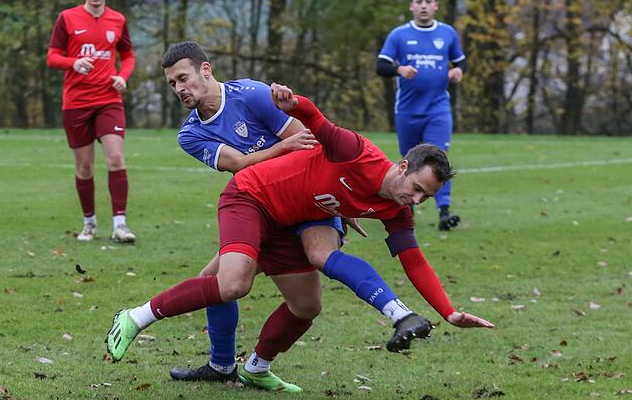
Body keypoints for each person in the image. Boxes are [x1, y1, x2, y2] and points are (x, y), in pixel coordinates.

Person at [107, 84, 494, 392]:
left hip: (296, 220)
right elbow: (315, 120)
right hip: (252, 196)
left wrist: (449, 312)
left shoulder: (397, 208)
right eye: (418, 188)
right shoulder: (357, 153)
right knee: (231, 283)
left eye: (427, 196)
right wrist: (292, 102)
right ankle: (135, 317)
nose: (418, 199)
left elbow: (414, 261)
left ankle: (255, 369)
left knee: (306, 306)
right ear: (403, 166)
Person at [160, 41, 431, 385]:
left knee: (304, 294)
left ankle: (254, 366)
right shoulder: (190, 133)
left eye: (183, 78)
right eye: (172, 84)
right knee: (217, 283)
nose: (179, 89)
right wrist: (279, 148)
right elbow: (241, 167)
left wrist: (338, 200)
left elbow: (307, 144)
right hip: (264, 203)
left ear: (206, 70)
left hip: (309, 198)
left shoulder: (252, 94)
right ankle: (222, 366)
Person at [46, 0, 136, 243]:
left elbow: (128, 55)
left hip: (108, 100)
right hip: (76, 103)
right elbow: (52, 56)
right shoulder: (68, 18)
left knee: (115, 158)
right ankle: (90, 224)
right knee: (84, 168)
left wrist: (122, 76)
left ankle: (120, 225)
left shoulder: (117, 20)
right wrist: (73, 62)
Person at [376, 0, 467, 231]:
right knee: (410, 161)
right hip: (407, 110)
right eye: (419, 2)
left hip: (438, 108)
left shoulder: (447, 33)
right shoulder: (399, 35)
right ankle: (407, 211)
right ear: (411, 6)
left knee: (440, 157)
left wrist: (458, 70)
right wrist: (399, 69)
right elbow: (381, 66)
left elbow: (461, 61)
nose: (424, 5)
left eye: (428, 1)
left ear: (435, 5)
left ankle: (444, 212)